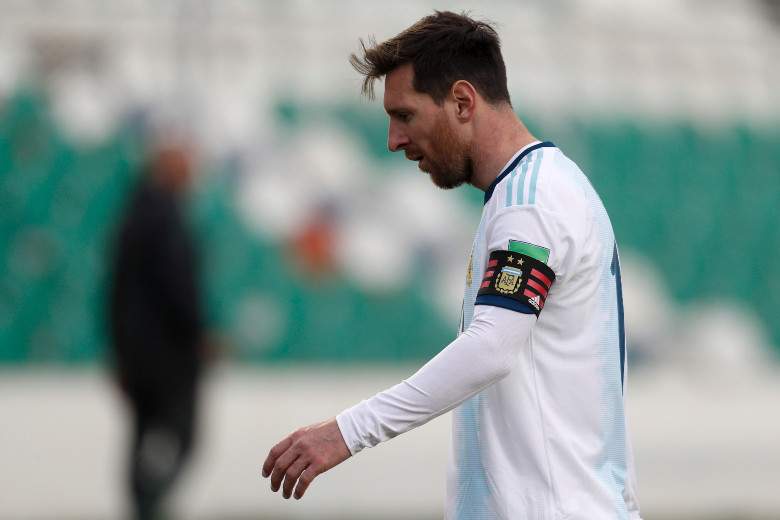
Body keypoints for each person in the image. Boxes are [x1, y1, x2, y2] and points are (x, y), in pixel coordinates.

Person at [261, 11, 642, 519]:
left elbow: (491, 348)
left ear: (462, 101)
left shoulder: (532, 201)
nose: (394, 140)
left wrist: (346, 432)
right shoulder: (530, 190)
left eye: (405, 115)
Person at [108, 144, 206, 520]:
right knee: (185, 436)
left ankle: (140, 505)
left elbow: (114, 292)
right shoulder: (168, 218)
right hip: (171, 355)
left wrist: (120, 352)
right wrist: (198, 333)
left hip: (135, 355)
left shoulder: (129, 215)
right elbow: (178, 286)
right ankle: (149, 506)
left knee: (142, 434)